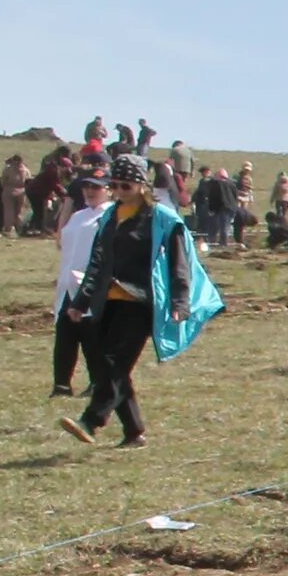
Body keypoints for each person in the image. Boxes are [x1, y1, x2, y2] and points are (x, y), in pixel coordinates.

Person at [56, 155, 193, 450]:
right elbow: (97, 263)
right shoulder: (109, 217)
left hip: (141, 301)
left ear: (141, 184)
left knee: (113, 363)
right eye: (114, 184)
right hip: (108, 300)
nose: (118, 190)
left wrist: (180, 303)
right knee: (110, 367)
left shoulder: (161, 219)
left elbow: (179, 264)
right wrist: (80, 301)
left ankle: (91, 420)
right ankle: (134, 432)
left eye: (125, 185)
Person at [50, 172, 107, 396]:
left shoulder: (109, 216)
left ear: (108, 189)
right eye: (87, 187)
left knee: (91, 336)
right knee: (65, 334)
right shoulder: (78, 216)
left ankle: (98, 382)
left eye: (96, 187)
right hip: (67, 283)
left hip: (89, 285)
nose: (90, 192)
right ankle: (61, 384)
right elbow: (62, 242)